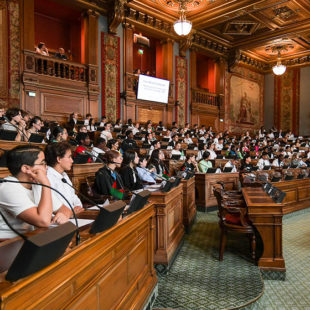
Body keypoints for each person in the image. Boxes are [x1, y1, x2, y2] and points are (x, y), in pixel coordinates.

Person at [0, 145, 53, 239]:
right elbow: (43, 221)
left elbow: (53, 213)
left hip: (31, 238)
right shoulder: (8, 188)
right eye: (43, 163)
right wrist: (46, 183)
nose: (47, 167)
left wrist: (60, 215)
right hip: (8, 244)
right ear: (26, 168)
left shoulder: (35, 184)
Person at [42, 142, 84, 223]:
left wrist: (76, 208)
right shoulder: (47, 177)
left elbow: (75, 198)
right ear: (59, 159)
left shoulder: (64, 175)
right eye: (69, 157)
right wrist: (71, 212)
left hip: (72, 218)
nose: (72, 161)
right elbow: (55, 208)